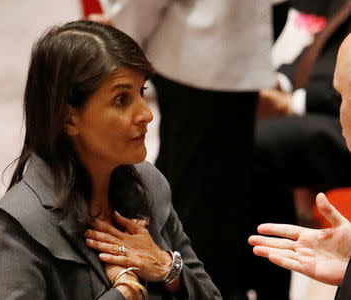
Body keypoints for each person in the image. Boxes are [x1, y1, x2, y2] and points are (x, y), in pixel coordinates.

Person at [0, 20, 221, 300]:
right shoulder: (19, 226)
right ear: (68, 117)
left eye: (141, 92)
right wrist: (125, 291)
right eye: (122, 99)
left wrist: (167, 268)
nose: (146, 114)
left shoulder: (149, 184)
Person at [95, 1, 287, 298]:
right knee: (207, 205)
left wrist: (122, 37)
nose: (144, 114)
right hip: (214, 53)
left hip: (208, 54)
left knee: (206, 214)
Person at [247, 1, 351, 298]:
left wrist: (292, 103)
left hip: (325, 113)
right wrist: (281, 83)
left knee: (258, 143)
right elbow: (318, 51)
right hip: (323, 106)